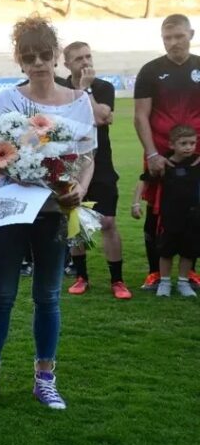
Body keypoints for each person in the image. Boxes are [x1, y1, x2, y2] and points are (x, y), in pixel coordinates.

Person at [0, 16, 96, 411]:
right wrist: (19, 167)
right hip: (9, 208)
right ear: (19, 60)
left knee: (48, 295)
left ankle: (45, 378)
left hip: (55, 210)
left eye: (44, 55)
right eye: (29, 57)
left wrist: (79, 189)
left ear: (56, 55)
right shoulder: (6, 101)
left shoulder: (79, 101)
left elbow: (87, 156)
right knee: (2, 293)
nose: (38, 63)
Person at [59, 42, 131, 300]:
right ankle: (81, 277)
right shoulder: (59, 89)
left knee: (108, 222)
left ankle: (117, 280)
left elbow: (101, 117)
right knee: (76, 221)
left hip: (101, 164)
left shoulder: (102, 87)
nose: (85, 62)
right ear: (67, 64)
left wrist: (86, 89)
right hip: (71, 164)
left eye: (88, 56)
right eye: (79, 58)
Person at [133, 14, 200, 290]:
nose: (173, 42)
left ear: (191, 35)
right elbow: (140, 115)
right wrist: (152, 154)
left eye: (179, 36)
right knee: (156, 210)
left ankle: (189, 271)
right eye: (167, 38)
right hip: (160, 152)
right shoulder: (150, 71)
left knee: (194, 210)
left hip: (196, 152)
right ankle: (154, 272)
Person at [145, 124, 200, 297]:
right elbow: (144, 180)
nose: (188, 147)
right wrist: (135, 203)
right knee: (166, 251)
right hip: (169, 216)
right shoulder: (164, 163)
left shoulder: (198, 162)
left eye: (192, 143)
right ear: (171, 145)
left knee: (188, 252)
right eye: (183, 143)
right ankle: (165, 283)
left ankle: (184, 282)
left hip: (193, 216)